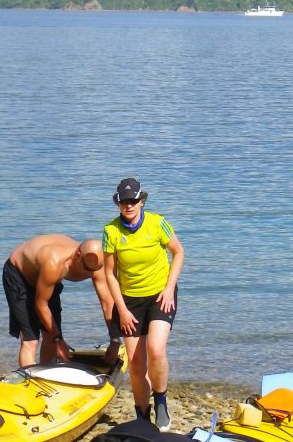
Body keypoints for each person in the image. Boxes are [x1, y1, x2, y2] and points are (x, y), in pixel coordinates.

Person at [103, 178, 184, 432]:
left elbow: (178, 253)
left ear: (142, 201)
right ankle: (142, 416)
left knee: (156, 349)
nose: (129, 205)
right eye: (124, 201)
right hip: (129, 302)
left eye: (133, 200)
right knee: (137, 365)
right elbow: (109, 275)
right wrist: (122, 310)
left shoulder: (157, 223)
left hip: (161, 295)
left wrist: (169, 288)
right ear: (118, 203)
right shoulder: (111, 231)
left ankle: (160, 400)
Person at [3, 234, 119, 367]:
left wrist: (115, 339)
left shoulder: (97, 265)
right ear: (78, 256)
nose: (89, 274)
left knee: (50, 337)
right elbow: (41, 304)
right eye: (86, 269)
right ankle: (29, 381)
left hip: (46, 282)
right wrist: (58, 339)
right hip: (20, 274)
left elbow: (107, 303)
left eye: (93, 270)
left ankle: (47, 374)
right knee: (31, 340)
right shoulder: (56, 263)